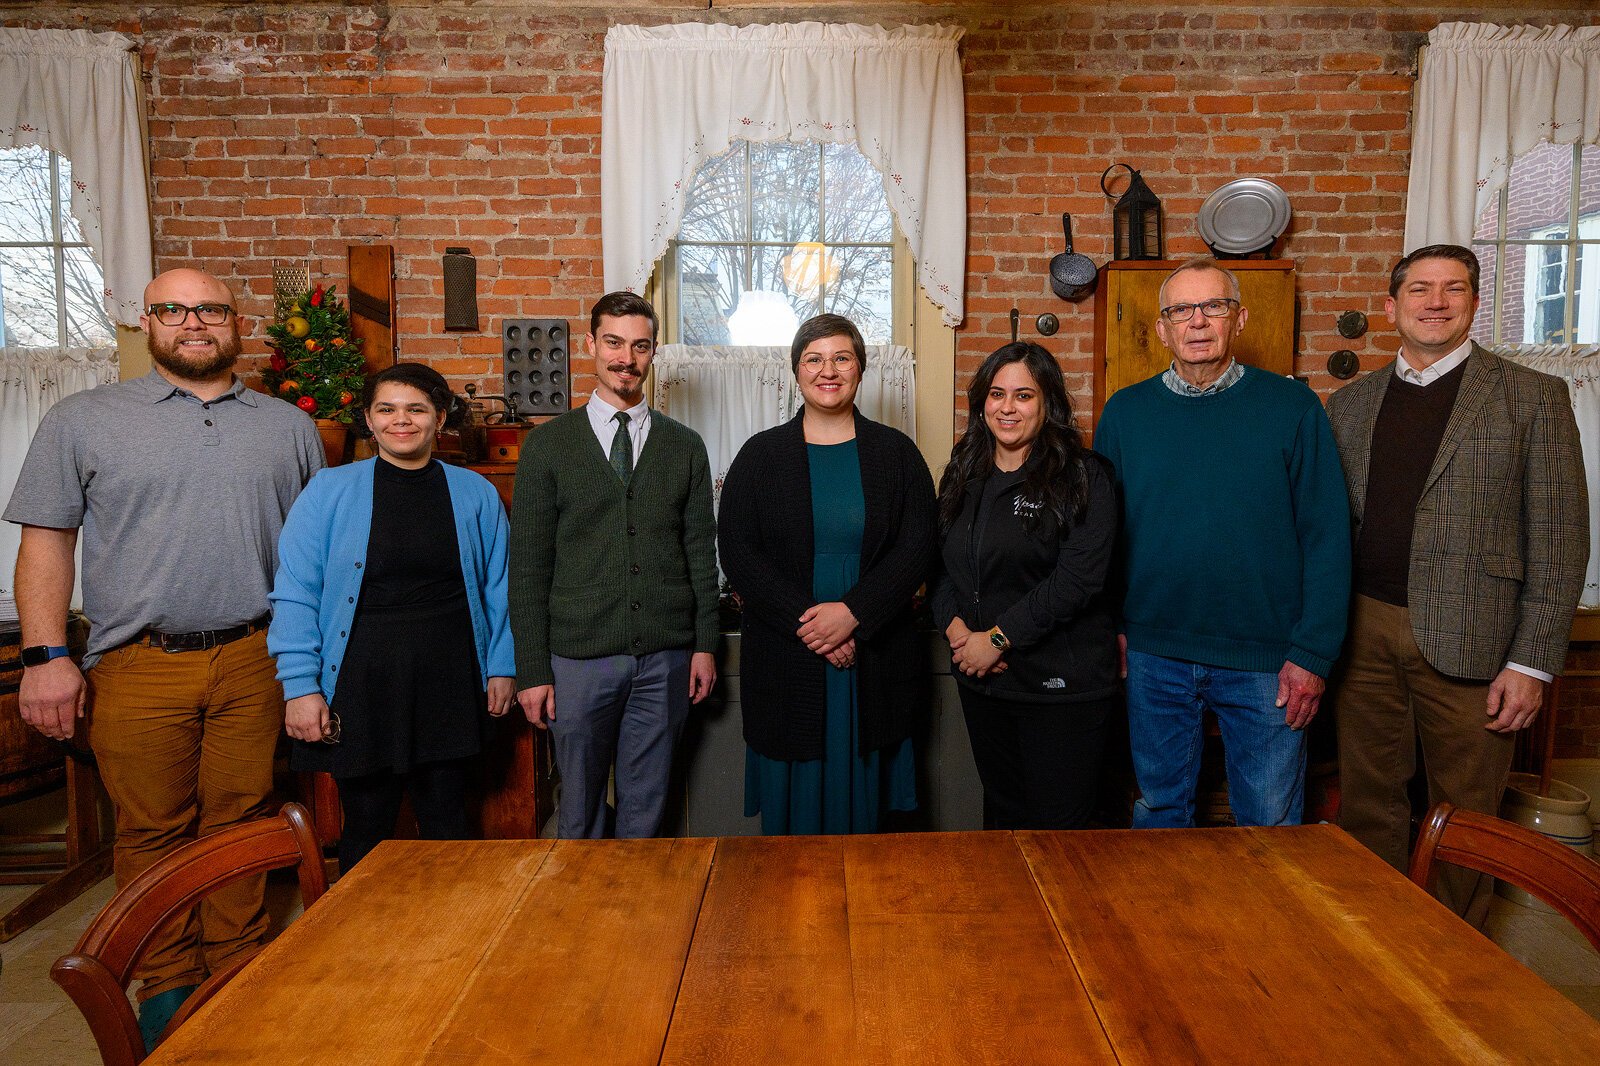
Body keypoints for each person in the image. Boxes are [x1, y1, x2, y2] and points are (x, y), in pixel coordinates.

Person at [4, 268, 322, 1049]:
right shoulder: (84, 420)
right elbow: (46, 541)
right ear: (145, 323)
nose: (193, 322)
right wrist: (45, 655)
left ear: (237, 323)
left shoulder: (288, 426)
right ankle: (168, 982)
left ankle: (238, 966)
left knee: (245, 818)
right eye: (173, 309)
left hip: (255, 654)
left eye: (210, 309)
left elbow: (312, 553)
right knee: (151, 827)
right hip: (138, 660)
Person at [1325, 244, 1588, 922]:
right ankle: (1376, 939)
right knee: (1369, 803)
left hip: (1478, 638)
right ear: (1392, 306)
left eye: (1453, 288)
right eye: (1420, 289)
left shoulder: (1531, 397)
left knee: (1466, 817)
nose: (1436, 302)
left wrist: (1531, 663)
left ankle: (1452, 951)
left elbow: (1560, 540)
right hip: (1363, 630)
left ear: (1474, 302)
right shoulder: (1350, 405)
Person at [1094, 258, 1350, 829]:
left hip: (1267, 662)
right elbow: (1101, 538)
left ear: (1240, 319)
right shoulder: (1126, 413)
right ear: (1163, 329)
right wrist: (1110, 626)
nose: (1198, 320)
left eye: (1214, 306)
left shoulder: (1292, 409)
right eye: (1181, 309)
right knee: (1159, 812)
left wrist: (1312, 654)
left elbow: (1327, 538)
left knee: (1269, 826)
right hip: (1154, 653)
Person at [269, 362, 516, 872]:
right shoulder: (328, 491)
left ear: (440, 418)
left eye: (416, 409)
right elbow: (295, 593)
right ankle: (360, 922)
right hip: (361, 682)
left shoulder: (475, 493)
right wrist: (300, 686)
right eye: (386, 409)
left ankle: (453, 921)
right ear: (368, 418)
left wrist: (502, 665)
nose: (400, 420)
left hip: (450, 679)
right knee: (367, 822)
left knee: (448, 818)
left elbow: (501, 588)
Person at [508, 291, 718, 839]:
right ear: (590, 345)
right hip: (577, 661)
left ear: (654, 352)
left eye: (640, 346)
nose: (626, 358)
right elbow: (527, 567)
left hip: (665, 659)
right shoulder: (548, 446)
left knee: (647, 810)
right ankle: (579, 898)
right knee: (577, 811)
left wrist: (704, 644)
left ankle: (636, 899)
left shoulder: (685, 446)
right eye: (614, 343)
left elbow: (701, 552)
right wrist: (532, 670)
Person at [718, 314, 935, 834]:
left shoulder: (897, 454)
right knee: (792, 814)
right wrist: (814, 624)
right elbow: (737, 552)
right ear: (797, 371)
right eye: (814, 359)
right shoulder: (760, 455)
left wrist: (854, 614)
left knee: (869, 816)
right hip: (788, 653)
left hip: (874, 656)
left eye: (842, 358)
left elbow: (919, 547)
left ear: (860, 369)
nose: (828, 370)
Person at [932, 342, 1118, 830]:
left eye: (1023, 395)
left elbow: (1078, 580)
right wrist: (957, 632)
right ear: (982, 403)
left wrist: (995, 640)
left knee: (1059, 838)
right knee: (1003, 827)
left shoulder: (1083, 476)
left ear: (1048, 402)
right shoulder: (963, 473)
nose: (1007, 408)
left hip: (1061, 691)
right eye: (997, 394)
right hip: (985, 686)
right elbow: (941, 566)